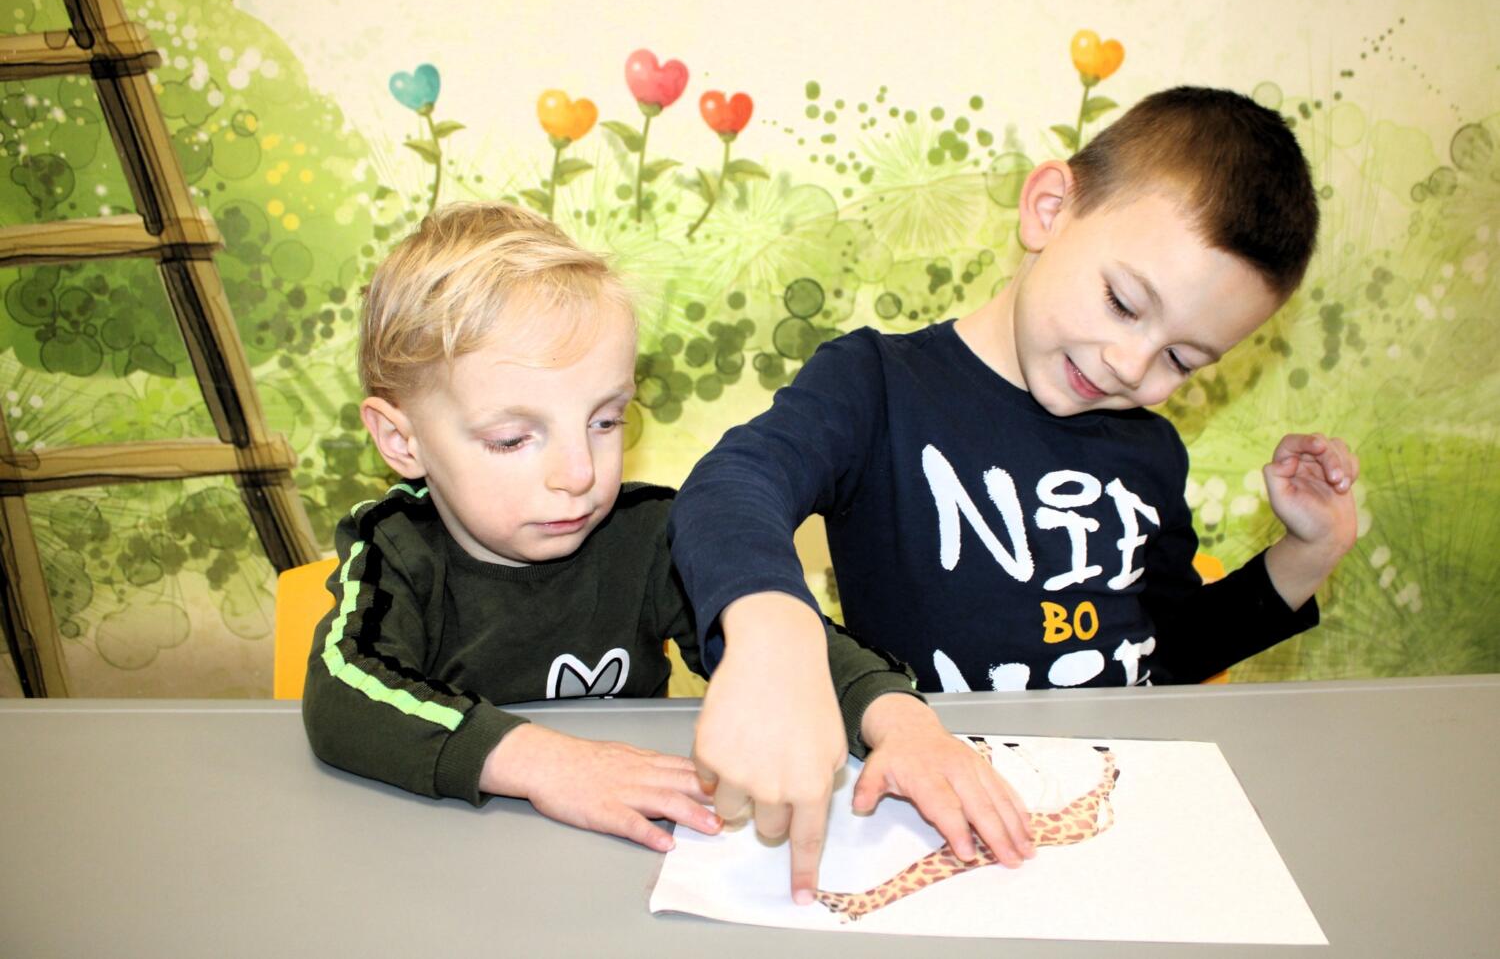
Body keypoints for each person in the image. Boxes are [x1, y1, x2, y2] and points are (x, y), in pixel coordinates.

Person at [669, 86, 1361, 901]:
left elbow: (1168, 652)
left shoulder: (1150, 452)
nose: (1131, 366)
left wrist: (1309, 554)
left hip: (1107, 827)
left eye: (1182, 359)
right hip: (932, 825)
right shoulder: (877, 386)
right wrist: (773, 636)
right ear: (1049, 209)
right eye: (1123, 303)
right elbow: (732, 485)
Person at [302, 202, 1035, 865]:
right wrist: (549, 765)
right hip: (452, 863)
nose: (579, 473)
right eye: (512, 439)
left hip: (628, 863)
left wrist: (900, 722)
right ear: (401, 441)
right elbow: (341, 695)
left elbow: (779, 656)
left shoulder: (646, 532)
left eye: (605, 421)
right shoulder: (394, 547)